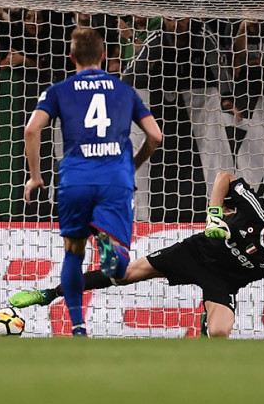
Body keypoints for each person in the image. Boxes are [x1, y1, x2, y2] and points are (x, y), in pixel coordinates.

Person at [11, 170, 264, 339]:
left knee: (220, 333)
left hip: (222, 282)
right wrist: (213, 214)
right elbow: (224, 176)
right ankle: (48, 293)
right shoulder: (254, 209)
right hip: (194, 253)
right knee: (123, 274)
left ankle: (207, 316)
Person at [21, 27, 162, 337]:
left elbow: (32, 131)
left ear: (71, 57)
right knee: (120, 265)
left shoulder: (58, 90)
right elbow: (155, 136)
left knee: (73, 251)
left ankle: (78, 326)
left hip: (76, 180)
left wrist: (35, 176)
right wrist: (131, 164)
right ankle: (112, 251)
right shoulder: (125, 90)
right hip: (115, 179)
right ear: (105, 56)